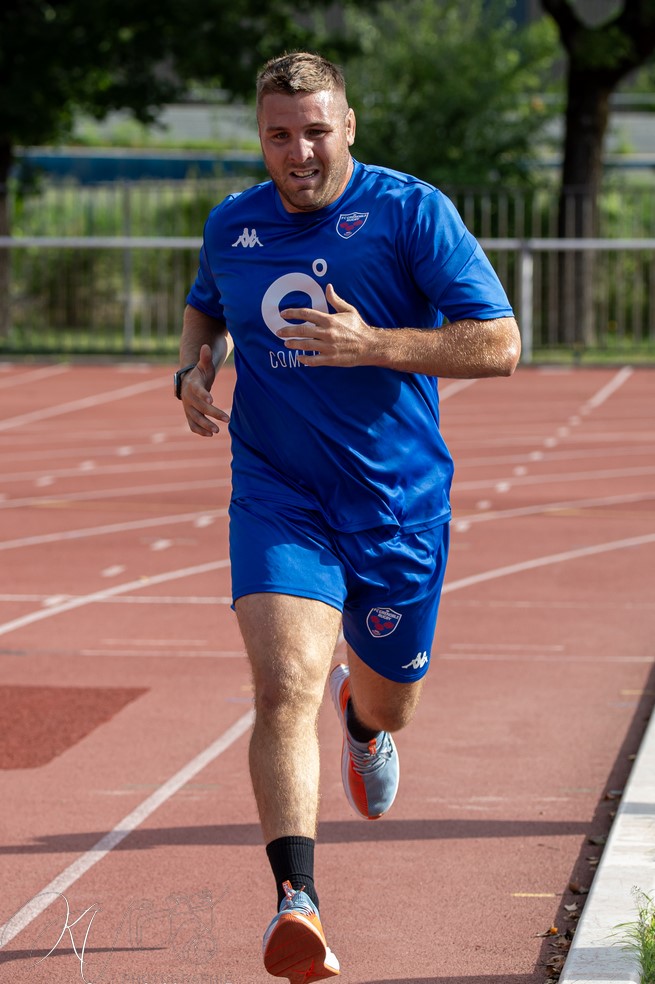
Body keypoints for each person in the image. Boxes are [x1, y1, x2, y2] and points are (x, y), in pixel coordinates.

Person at [176, 50, 521, 983]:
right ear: (261, 138)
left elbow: (499, 344)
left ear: (350, 127)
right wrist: (193, 367)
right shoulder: (233, 225)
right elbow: (206, 308)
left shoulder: (412, 213)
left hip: (397, 508)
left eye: (316, 130)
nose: (299, 151)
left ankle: (361, 726)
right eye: (279, 135)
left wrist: (375, 343)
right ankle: (298, 902)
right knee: (283, 680)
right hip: (278, 495)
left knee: (387, 699)